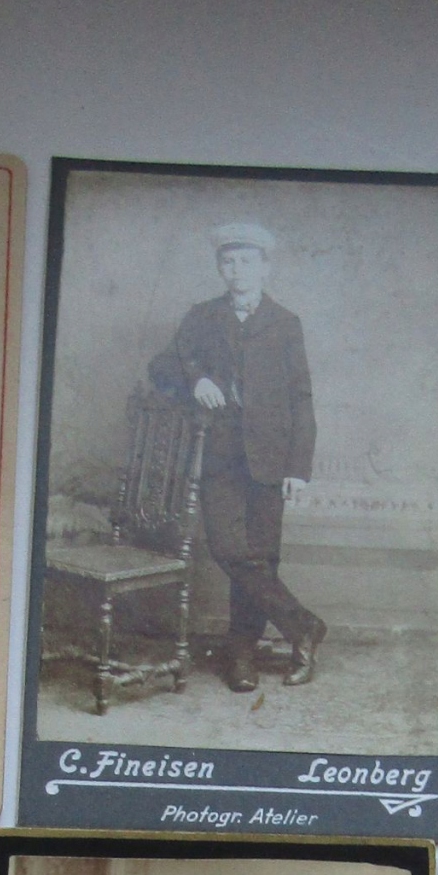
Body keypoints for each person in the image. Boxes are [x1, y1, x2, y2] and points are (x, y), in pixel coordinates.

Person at [147, 220, 324, 693]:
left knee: (262, 557)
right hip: (220, 457)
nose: (237, 269)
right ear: (219, 269)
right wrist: (197, 379)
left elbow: (301, 398)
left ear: (265, 268)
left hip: (272, 458)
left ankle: (242, 653)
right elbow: (160, 367)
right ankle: (304, 626)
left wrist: (298, 468)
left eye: (247, 261)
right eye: (228, 261)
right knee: (228, 549)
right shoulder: (202, 316)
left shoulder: (286, 323)